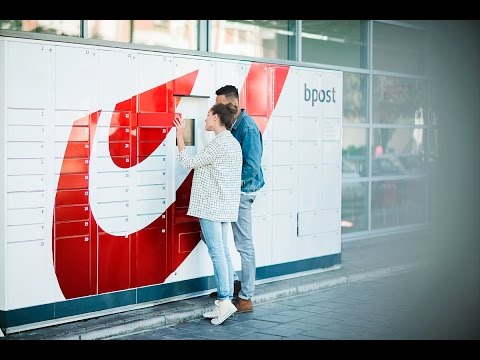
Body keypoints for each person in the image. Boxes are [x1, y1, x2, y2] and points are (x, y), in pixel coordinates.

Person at [174, 103, 242, 325]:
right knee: (223, 251)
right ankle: (227, 300)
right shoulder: (232, 143)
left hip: (211, 207)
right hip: (224, 206)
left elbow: (188, 163)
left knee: (217, 253)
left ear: (216, 119)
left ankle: (223, 301)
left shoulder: (218, 144)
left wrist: (180, 136)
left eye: (207, 115)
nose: (205, 119)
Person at [213, 85, 265, 313]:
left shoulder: (248, 129)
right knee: (212, 235)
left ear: (233, 105)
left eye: (220, 105)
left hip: (242, 192)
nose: (216, 109)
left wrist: (229, 184)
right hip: (231, 191)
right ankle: (232, 282)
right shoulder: (232, 125)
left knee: (244, 244)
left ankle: (246, 297)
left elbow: (251, 168)